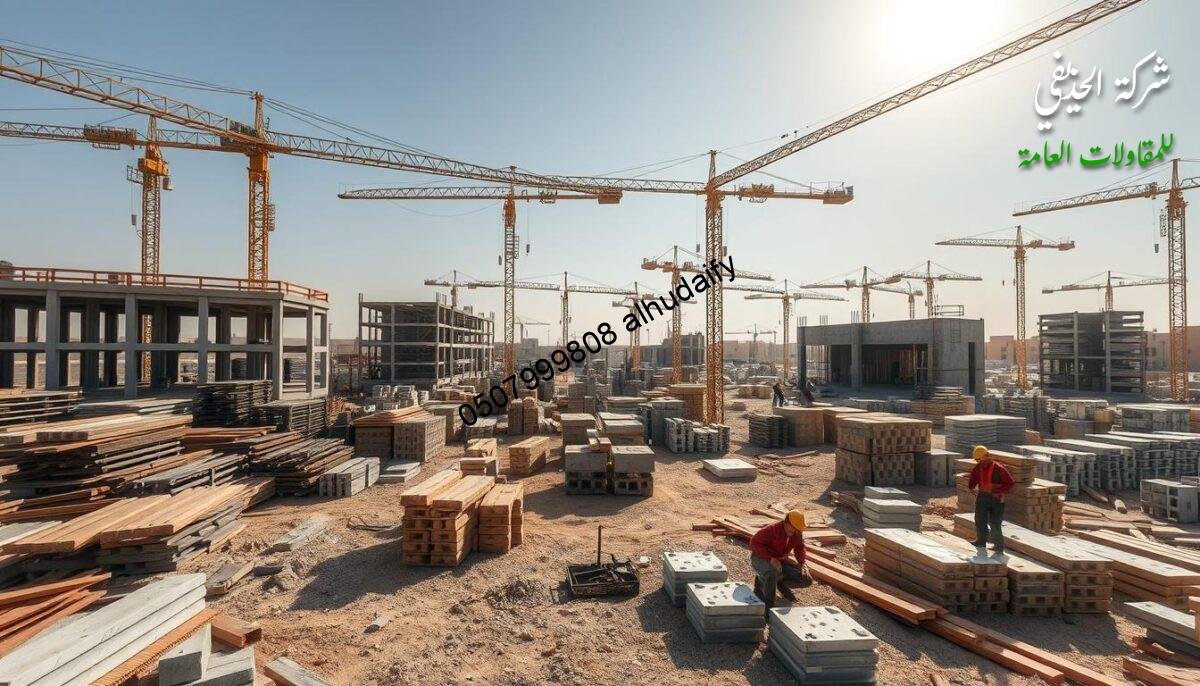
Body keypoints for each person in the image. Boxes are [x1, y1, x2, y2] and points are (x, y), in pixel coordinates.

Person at [749, 510, 812, 608]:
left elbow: (799, 547)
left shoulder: (796, 533)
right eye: (792, 528)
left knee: (806, 579)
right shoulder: (772, 530)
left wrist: (802, 563)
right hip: (760, 557)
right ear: (786, 522)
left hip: (778, 559)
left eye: (796, 529)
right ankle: (768, 606)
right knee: (771, 573)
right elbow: (754, 542)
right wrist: (771, 559)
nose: (794, 531)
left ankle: (780, 583)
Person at [967, 445, 1014, 555]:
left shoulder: (999, 468)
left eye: (979, 459)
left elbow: (1010, 483)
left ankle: (998, 547)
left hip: (996, 499)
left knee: (995, 523)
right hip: (983, 496)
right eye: (977, 460)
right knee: (980, 519)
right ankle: (981, 541)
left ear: (985, 457)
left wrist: (999, 492)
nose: (978, 462)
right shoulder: (979, 467)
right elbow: (973, 477)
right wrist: (971, 486)